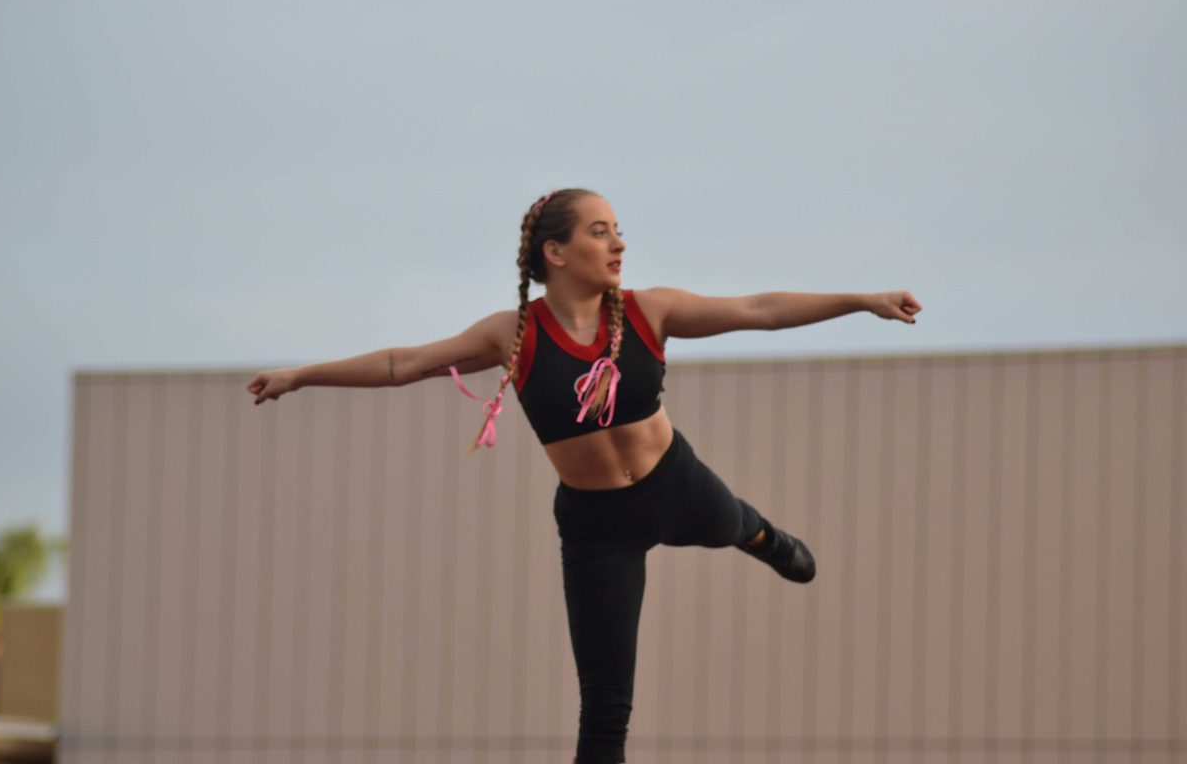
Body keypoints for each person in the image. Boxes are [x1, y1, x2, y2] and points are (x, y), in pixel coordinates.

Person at [246, 188, 922, 763]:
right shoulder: (513, 333)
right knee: (605, 704)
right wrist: (302, 375)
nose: (618, 244)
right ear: (556, 252)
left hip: (675, 483)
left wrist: (860, 299)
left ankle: (764, 538)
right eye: (601, 232)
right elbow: (405, 362)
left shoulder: (648, 312)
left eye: (619, 232)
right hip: (599, 527)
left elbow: (760, 311)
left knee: (732, 524)